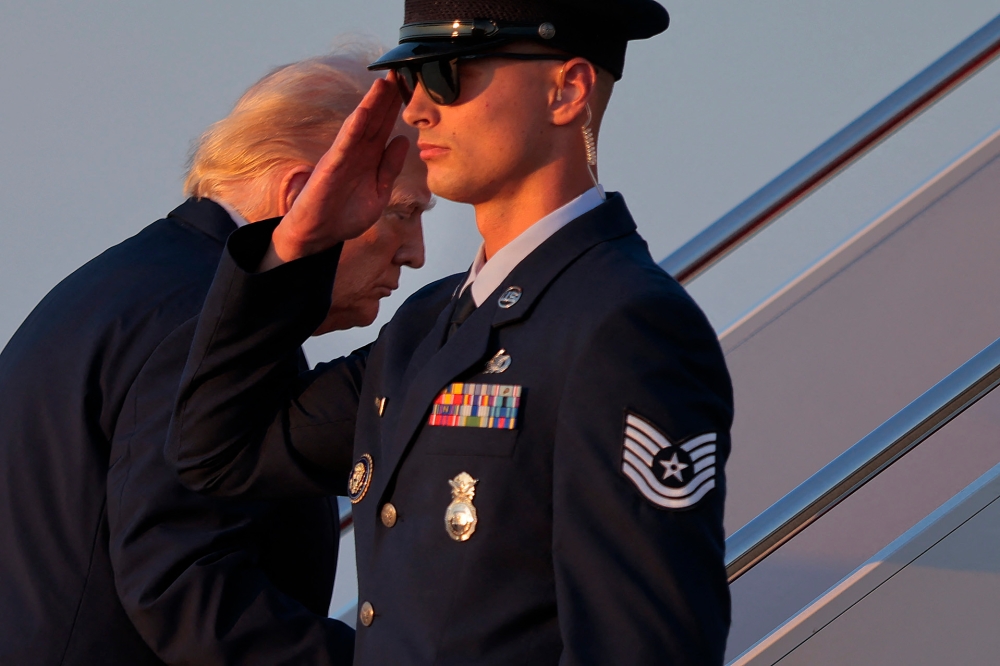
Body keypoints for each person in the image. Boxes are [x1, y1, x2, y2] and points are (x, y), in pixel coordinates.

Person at [169, 1, 734, 663]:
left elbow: (643, 645)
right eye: (412, 78)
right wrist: (296, 245)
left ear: (567, 91)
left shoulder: (624, 324)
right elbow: (217, 451)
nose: (416, 110)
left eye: (449, 75)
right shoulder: (428, 324)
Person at [0, 48, 429, 665]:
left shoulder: (137, 285)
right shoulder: (204, 321)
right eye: (403, 212)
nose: (415, 253)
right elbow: (183, 589)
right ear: (307, 193)